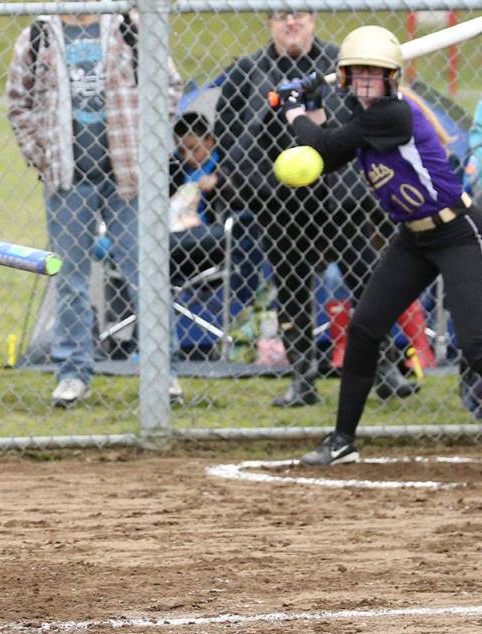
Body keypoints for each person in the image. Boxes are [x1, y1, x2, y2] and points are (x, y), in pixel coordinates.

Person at [277, 27, 482, 464]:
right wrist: (310, 104)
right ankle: (342, 441)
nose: (367, 82)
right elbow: (328, 156)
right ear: (346, 77)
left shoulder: (393, 114)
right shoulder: (361, 115)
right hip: (413, 238)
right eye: (358, 74)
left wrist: (292, 108)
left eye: (377, 73)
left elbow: (323, 142)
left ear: (393, 78)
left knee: (476, 342)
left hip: (459, 232)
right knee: (365, 329)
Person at [215, 10, 416, 408]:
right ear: (269, 23)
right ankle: (302, 378)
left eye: (300, 15)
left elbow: (363, 122)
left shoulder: (339, 65)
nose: (291, 24)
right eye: (280, 16)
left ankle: (386, 368)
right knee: (291, 289)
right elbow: (228, 138)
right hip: (279, 202)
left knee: (366, 281)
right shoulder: (248, 71)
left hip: (339, 200)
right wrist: (264, 177)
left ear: (313, 20)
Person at [5, 11, 184, 408]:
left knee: (146, 275)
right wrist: (44, 155)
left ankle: (162, 372)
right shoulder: (38, 34)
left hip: (128, 179)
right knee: (69, 280)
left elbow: (171, 86)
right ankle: (72, 374)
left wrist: (149, 145)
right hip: (68, 179)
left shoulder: (128, 25)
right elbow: (17, 103)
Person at [169, 111, 262, 307]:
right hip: (176, 233)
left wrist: (220, 183)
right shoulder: (175, 169)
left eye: (194, 149)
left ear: (210, 141)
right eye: (182, 151)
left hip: (210, 232)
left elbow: (247, 195)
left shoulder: (225, 164)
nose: (188, 158)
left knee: (156, 245)